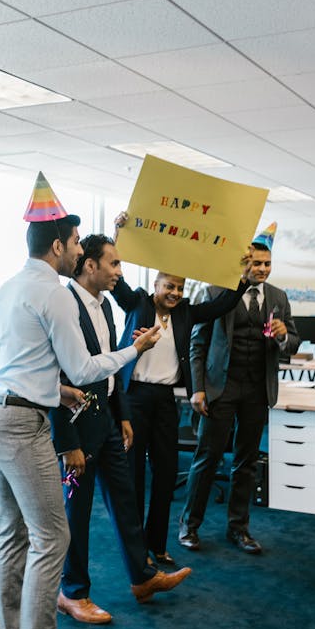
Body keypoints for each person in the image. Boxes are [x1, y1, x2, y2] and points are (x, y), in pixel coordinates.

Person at [0, 172, 160, 629]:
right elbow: (83, 366)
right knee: (52, 537)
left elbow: (14, 364)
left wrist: (58, 391)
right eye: (76, 244)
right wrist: (136, 348)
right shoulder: (53, 294)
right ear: (57, 246)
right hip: (22, 425)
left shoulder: (9, 288)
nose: (78, 252)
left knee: (14, 535)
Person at [49, 234, 191, 622]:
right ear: (90, 265)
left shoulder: (104, 306)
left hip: (108, 424)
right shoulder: (66, 305)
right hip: (77, 432)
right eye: (114, 264)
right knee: (76, 510)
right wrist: (67, 443)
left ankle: (143, 577)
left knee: (125, 499)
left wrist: (122, 416)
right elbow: (57, 376)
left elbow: (111, 368)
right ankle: (72, 592)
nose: (119, 272)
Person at [111, 212, 252, 565]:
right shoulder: (138, 302)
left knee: (164, 474)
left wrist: (243, 277)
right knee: (134, 476)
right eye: (168, 286)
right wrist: (119, 234)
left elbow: (224, 304)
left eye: (179, 288)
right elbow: (118, 283)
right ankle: (136, 550)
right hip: (133, 399)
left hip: (164, 402)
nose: (174, 293)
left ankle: (158, 545)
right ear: (156, 285)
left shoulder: (186, 312)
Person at [179, 223, 300, 553]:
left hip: (257, 389)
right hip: (222, 387)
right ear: (243, 263)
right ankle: (189, 525)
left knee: (246, 463)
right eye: (256, 263)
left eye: (267, 263)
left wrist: (282, 336)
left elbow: (293, 342)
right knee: (207, 458)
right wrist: (198, 388)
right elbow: (197, 343)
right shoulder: (216, 291)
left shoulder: (278, 297)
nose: (262, 269)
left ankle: (239, 528)